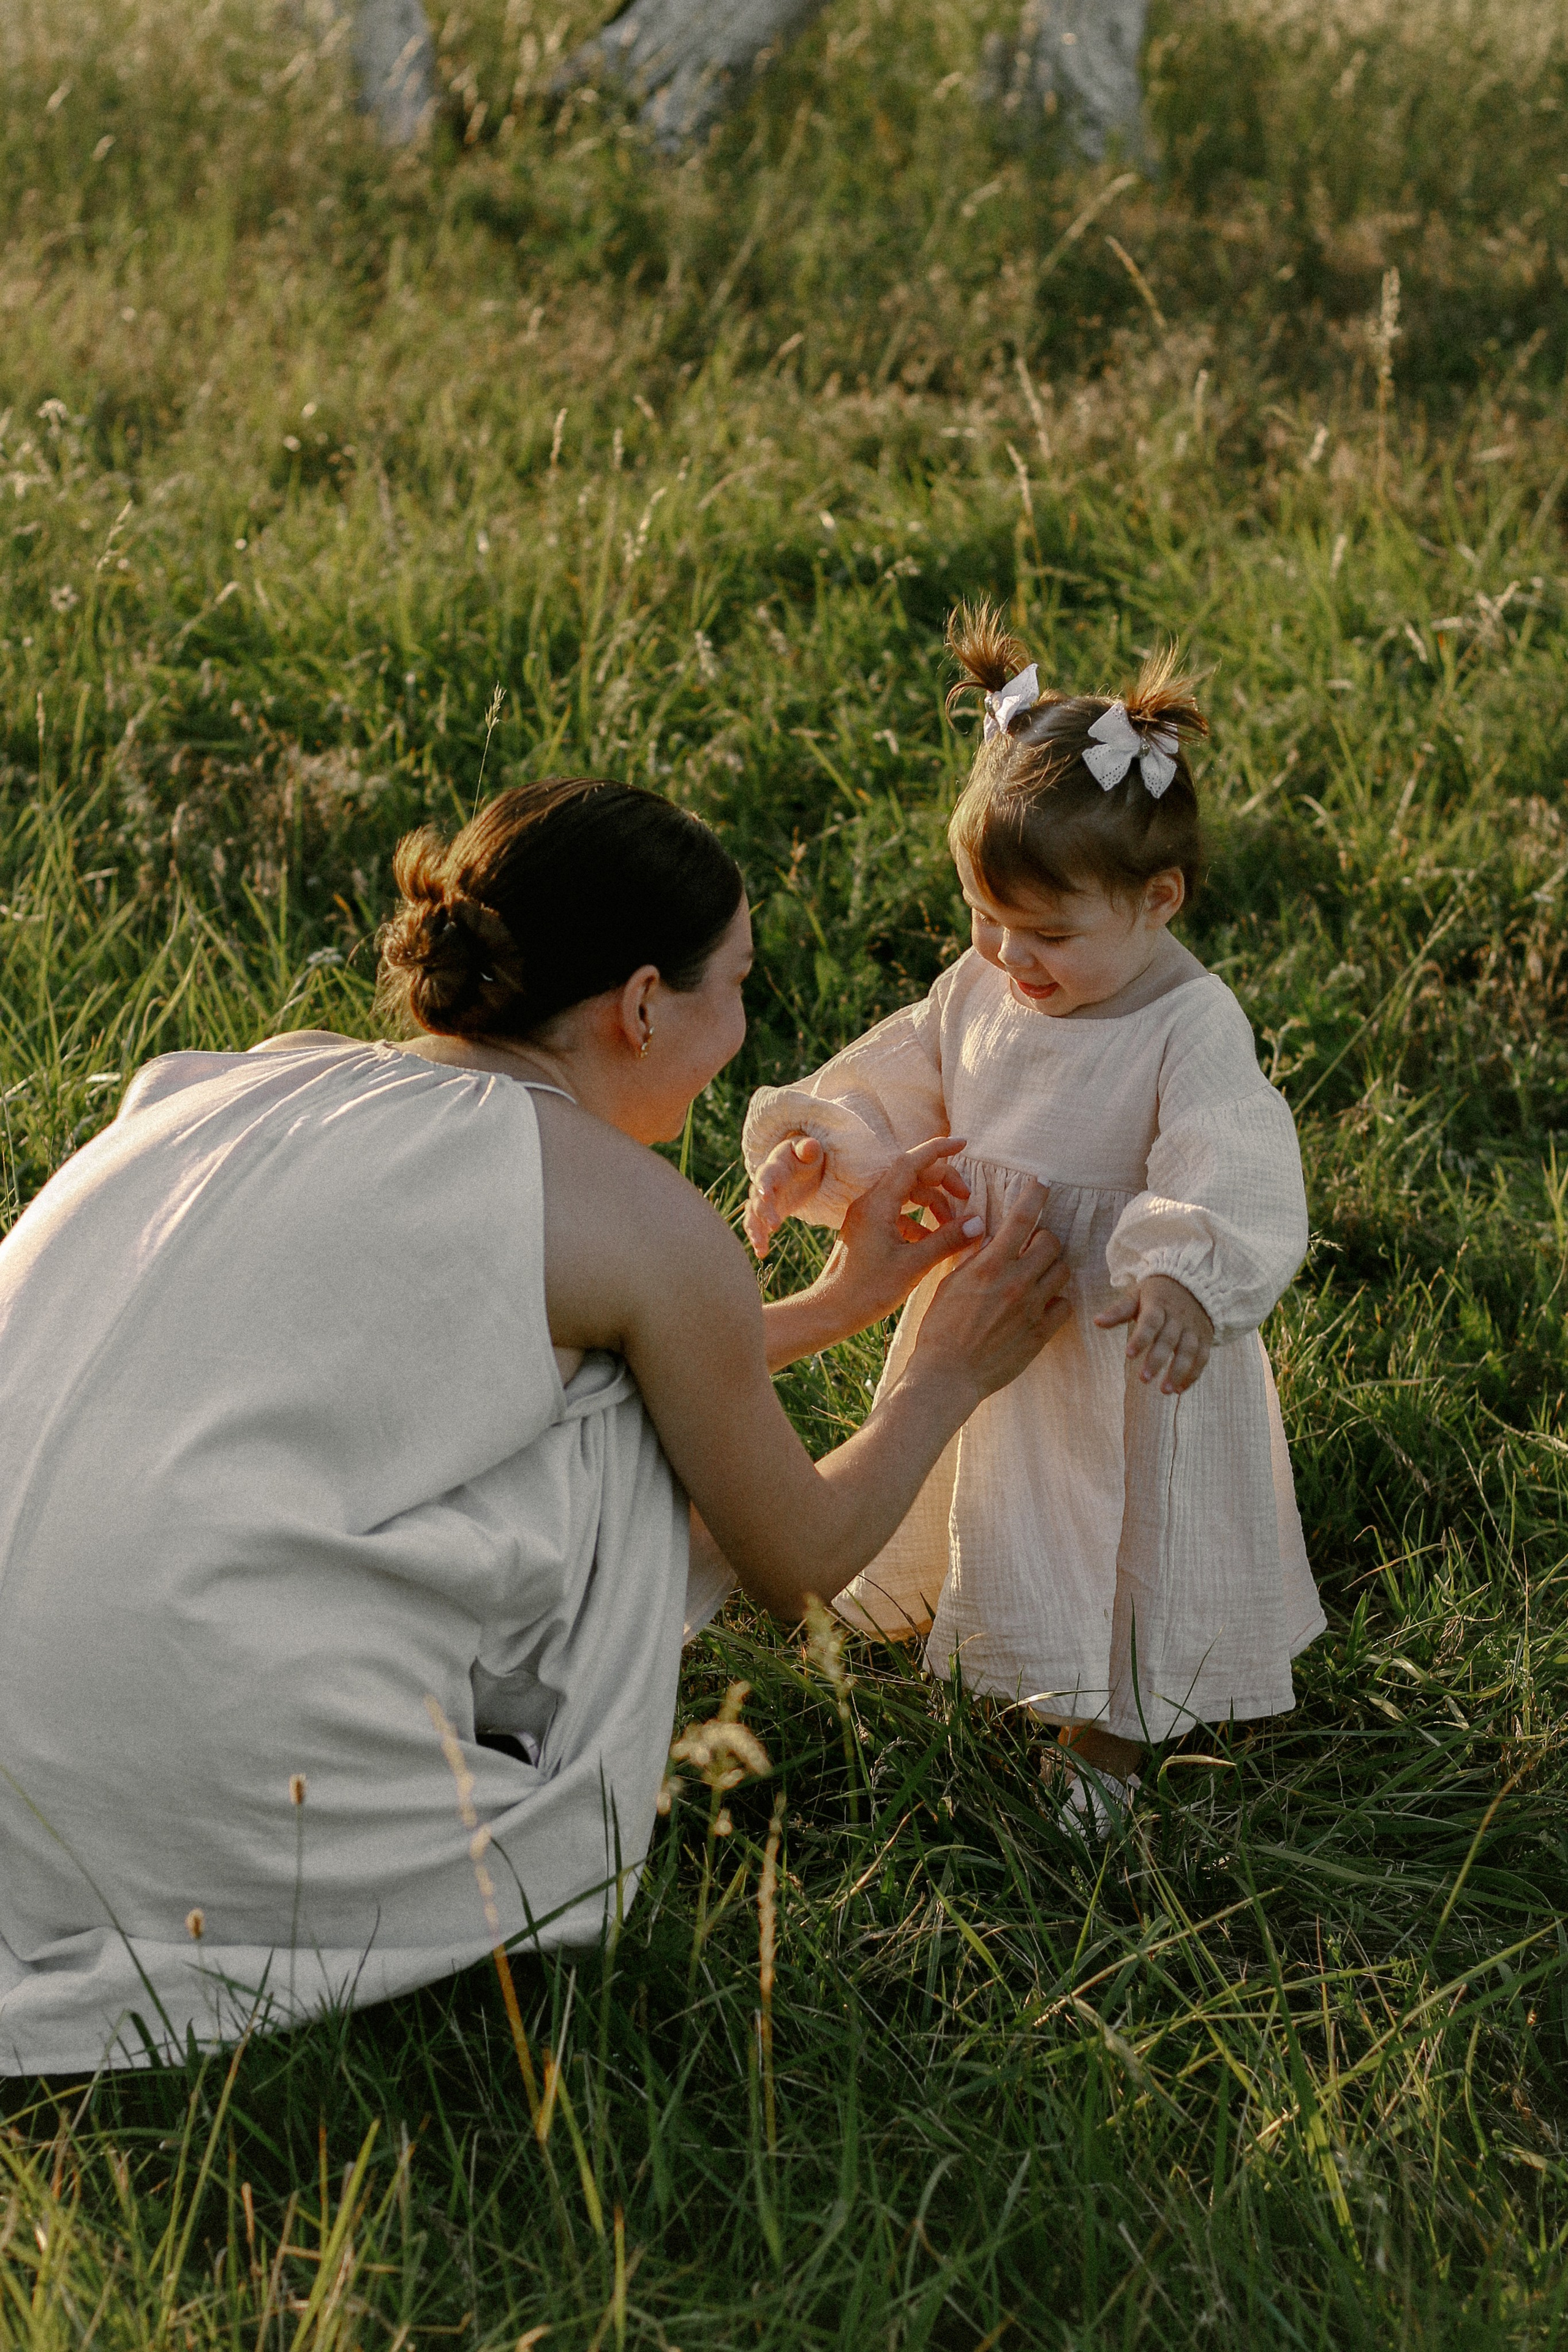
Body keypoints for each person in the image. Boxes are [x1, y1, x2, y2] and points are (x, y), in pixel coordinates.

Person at [0, 777, 1069, 2076]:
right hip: (175, 1752)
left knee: (583, 1396)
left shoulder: (241, 1082)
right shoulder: (632, 1218)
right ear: (636, 1006)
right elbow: (800, 1557)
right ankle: (490, 1782)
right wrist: (943, 1371)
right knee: (615, 1441)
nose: (740, 1027)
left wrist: (841, 1300)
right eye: (731, 986)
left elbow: (446, 1347)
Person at [743, 608, 1325, 1827]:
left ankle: (1105, 1732)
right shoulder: (988, 984)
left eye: (1045, 932)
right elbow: (907, 1075)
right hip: (994, 1307)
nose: (1006, 957)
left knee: (1121, 1526)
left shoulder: (1185, 1026)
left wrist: (1179, 1275)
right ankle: (971, 1619)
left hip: (1121, 1334)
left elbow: (1233, 1160)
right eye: (981, 917)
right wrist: (827, 1145)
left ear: (1156, 900)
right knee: (989, 1485)